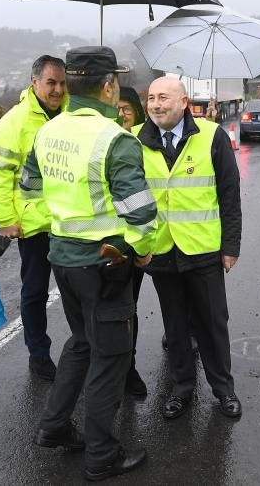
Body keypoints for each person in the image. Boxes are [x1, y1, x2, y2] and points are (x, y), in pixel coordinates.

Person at [23, 46, 156, 481]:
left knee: (81, 342)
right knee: (110, 357)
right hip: (105, 263)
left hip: (63, 256)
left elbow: (29, 186)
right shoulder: (114, 138)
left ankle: (55, 426)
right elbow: (139, 212)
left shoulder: (46, 131)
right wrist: (140, 249)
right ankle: (102, 456)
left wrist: (64, 226)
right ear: (107, 86)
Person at [136, 76, 243, 420]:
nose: (155, 104)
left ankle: (224, 390)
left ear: (184, 102)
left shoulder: (213, 136)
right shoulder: (136, 139)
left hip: (203, 249)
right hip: (161, 250)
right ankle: (181, 390)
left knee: (213, 324)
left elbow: (229, 195)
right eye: (151, 98)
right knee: (176, 326)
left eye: (163, 97)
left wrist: (231, 246)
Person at [0, 55, 66, 381]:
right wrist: (5, 217)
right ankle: (38, 355)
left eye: (61, 83)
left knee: (79, 292)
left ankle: (83, 352)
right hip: (35, 226)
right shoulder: (15, 122)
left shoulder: (72, 115)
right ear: (34, 82)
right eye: (50, 83)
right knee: (35, 292)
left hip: (71, 222)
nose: (57, 89)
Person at [116, 84, 149, 396]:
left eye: (127, 107)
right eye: (116, 106)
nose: (121, 113)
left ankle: (129, 367)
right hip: (108, 239)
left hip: (137, 239)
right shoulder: (105, 140)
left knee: (129, 307)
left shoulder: (146, 140)